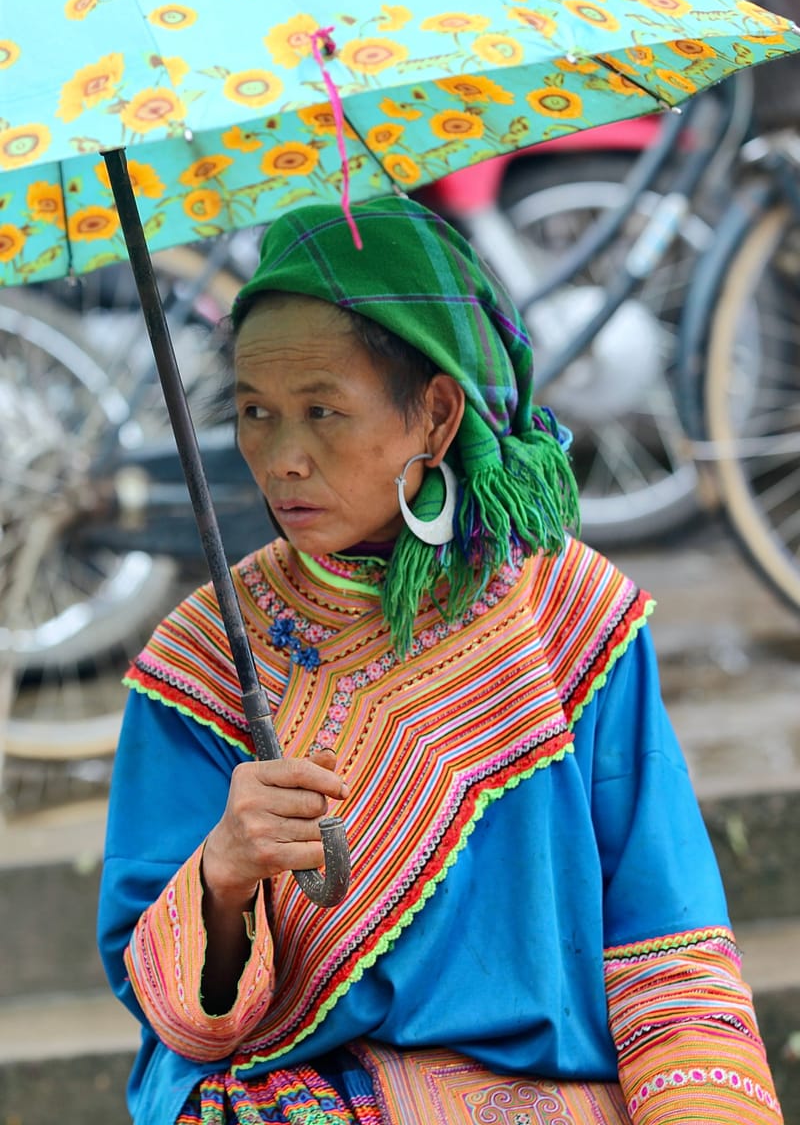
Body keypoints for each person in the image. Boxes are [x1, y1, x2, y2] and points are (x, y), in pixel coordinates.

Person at [98, 195, 783, 1125]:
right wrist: (222, 875)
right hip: (306, 1095)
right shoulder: (204, 660)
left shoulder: (571, 618)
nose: (282, 457)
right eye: (255, 411)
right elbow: (178, 1019)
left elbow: (669, 940)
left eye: (323, 412)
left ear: (435, 412)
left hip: (559, 1097)